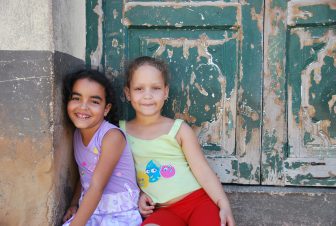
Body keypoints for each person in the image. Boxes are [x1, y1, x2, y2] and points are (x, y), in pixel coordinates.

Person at [120, 56, 235, 226]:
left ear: (165, 92)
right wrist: (137, 194)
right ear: (128, 93)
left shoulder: (178, 129)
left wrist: (223, 205)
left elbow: (202, 171)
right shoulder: (119, 133)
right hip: (161, 211)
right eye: (139, 89)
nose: (148, 95)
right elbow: (117, 175)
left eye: (156, 88)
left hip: (198, 202)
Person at [62, 69, 142, 226]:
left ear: (106, 109)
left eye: (94, 101)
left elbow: (97, 186)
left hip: (120, 214)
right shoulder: (78, 133)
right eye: (76, 98)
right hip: (91, 211)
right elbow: (84, 173)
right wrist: (73, 203)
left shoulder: (112, 137)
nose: (83, 107)